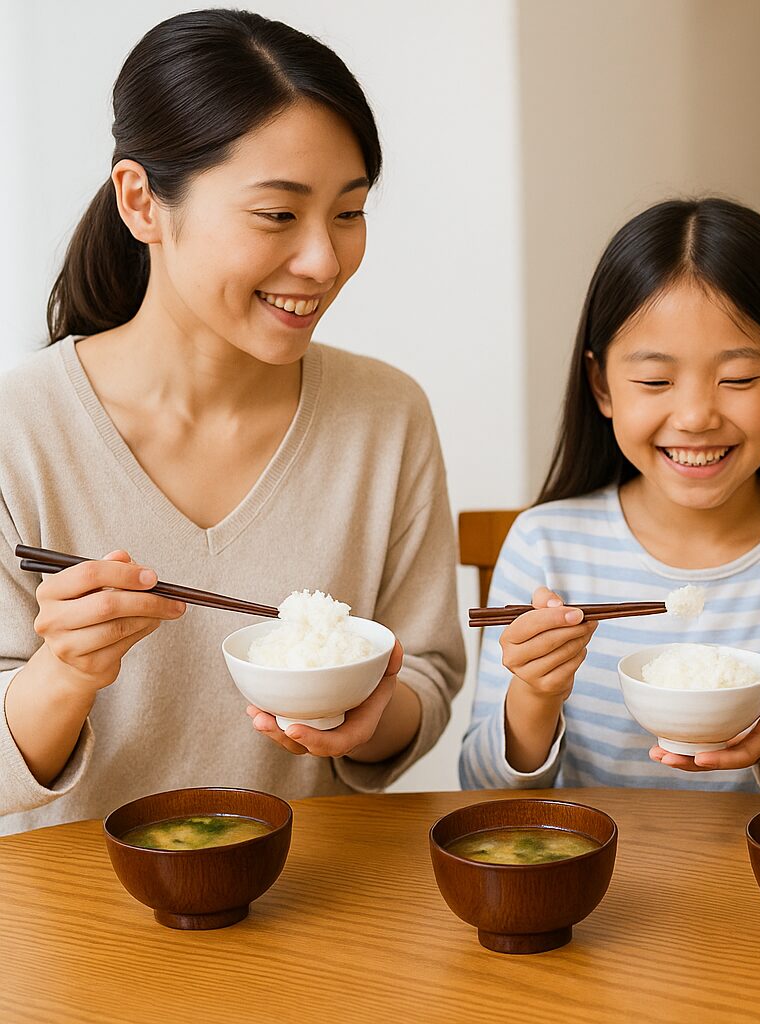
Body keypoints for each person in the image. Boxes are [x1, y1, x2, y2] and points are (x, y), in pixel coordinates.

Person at [0, 10, 464, 833]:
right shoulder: (19, 432)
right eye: (278, 216)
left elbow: (423, 671)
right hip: (74, 919)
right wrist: (66, 670)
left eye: (348, 213)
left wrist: (365, 718)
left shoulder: (387, 418)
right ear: (141, 201)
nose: (323, 260)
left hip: (314, 902)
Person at [458, 197, 760, 798]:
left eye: (739, 379)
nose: (695, 417)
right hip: (595, 883)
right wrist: (536, 697)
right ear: (601, 385)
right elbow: (479, 788)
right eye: (654, 381)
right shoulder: (547, 546)